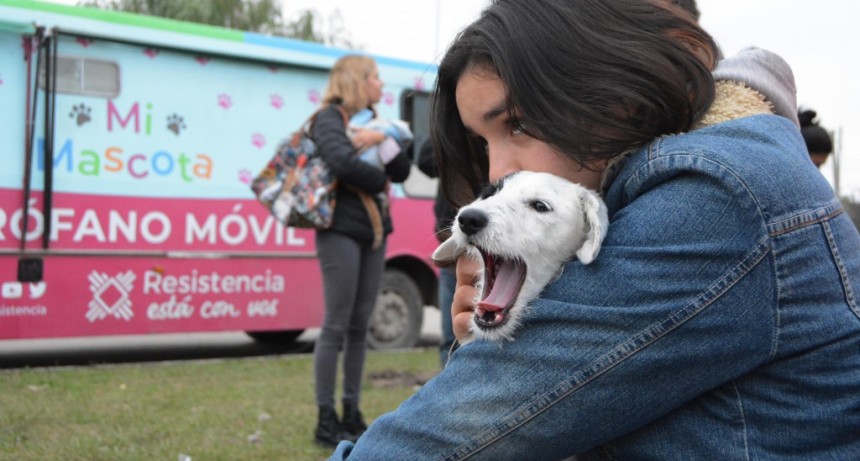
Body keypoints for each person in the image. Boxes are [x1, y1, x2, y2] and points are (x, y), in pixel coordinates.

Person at [327, 1, 860, 459]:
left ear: (612, 89)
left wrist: (492, 362)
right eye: (483, 141)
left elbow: (454, 432)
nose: (496, 174)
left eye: (518, 123)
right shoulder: (701, 174)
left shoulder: (713, 196)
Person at [310, 54, 411, 448]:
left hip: (374, 231)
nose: (381, 84)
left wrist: (382, 140)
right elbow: (341, 163)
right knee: (335, 325)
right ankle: (325, 418)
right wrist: (379, 177)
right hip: (339, 229)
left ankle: (351, 412)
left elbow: (402, 172)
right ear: (356, 80)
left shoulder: (376, 123)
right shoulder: (329, 118)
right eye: (375, 77)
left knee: (359, 325)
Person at [416, 139, 458, 367]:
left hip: (490, 241)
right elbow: (424, 162)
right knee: (450, 337)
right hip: (450, 237)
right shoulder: (452, 129)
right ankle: (449, 398)